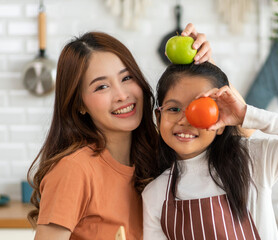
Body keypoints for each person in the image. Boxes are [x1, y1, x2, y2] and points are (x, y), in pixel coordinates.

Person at [27, 23, 212, 239]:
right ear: (80, 105)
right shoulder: (74, 170)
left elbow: (240, 152)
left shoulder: (157, 155)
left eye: (126, 78)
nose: (122, 95)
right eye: (101, 87)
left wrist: (209, 69)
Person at [142, 62, 278, 240]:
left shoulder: (252, 160)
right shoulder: (155, 195)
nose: (184, 120)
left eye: (199, 109)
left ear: (220, 123)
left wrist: (247, 114)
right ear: (158, 118)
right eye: (173, 109)